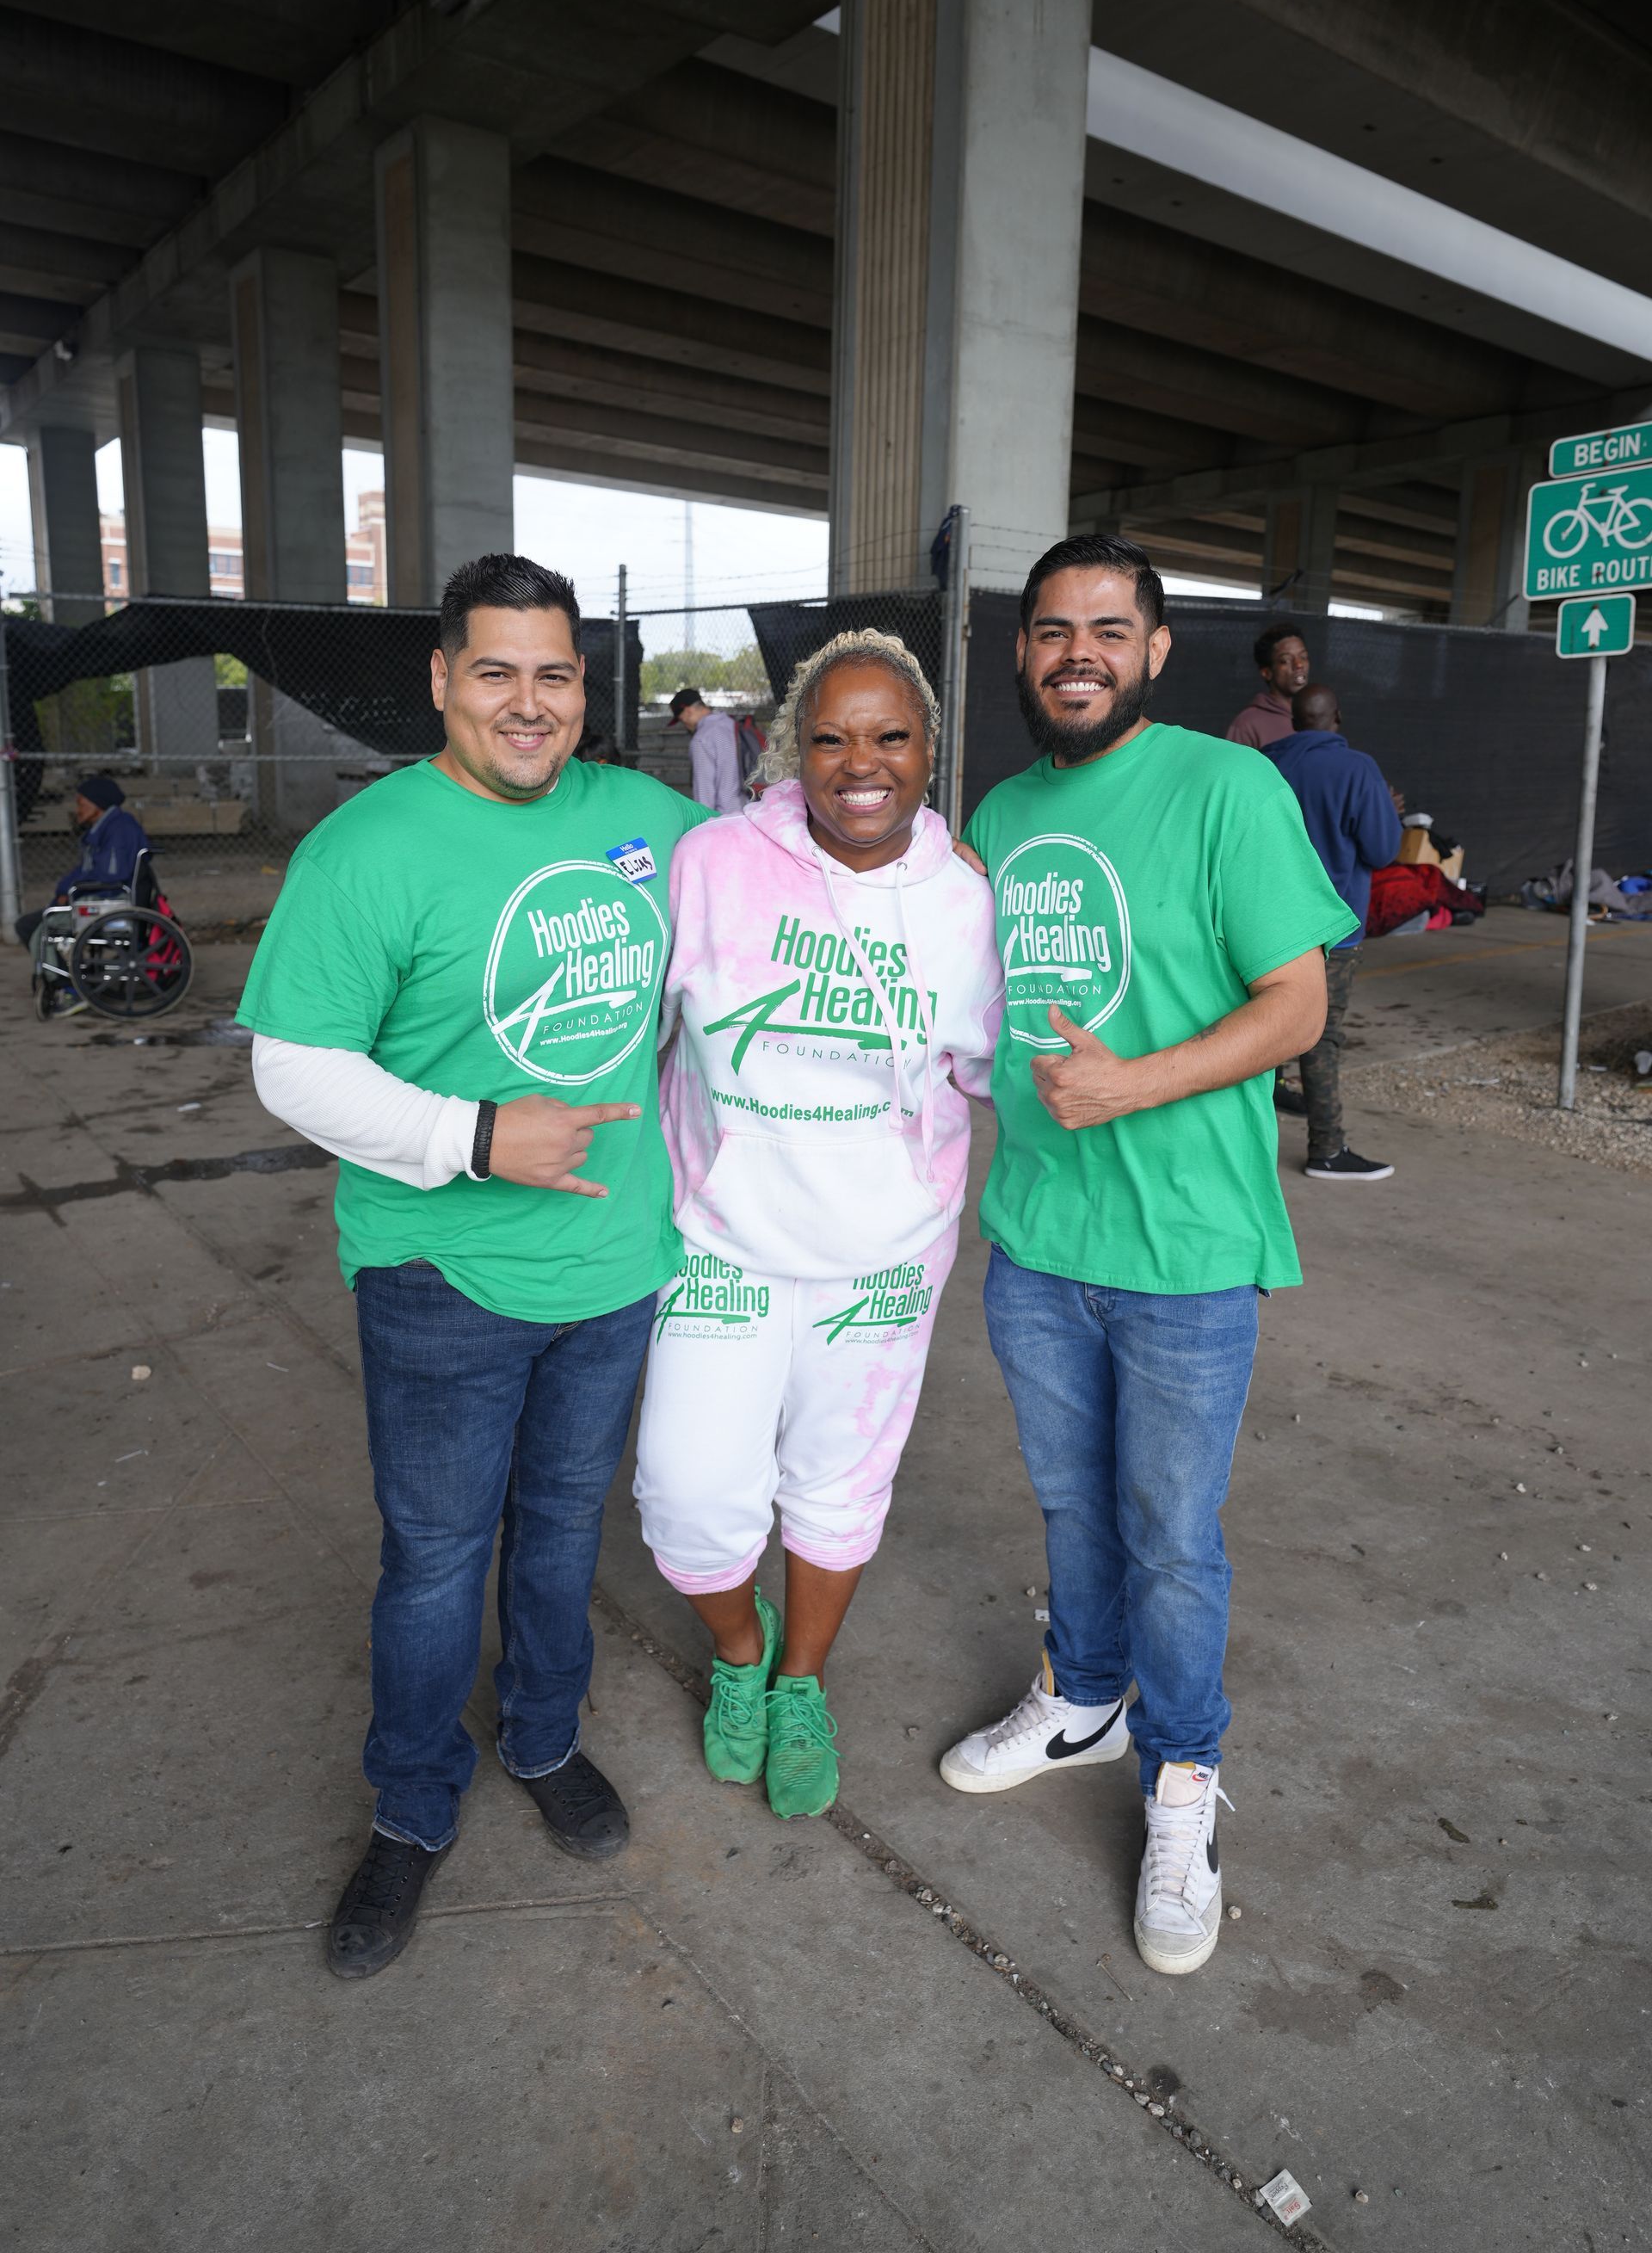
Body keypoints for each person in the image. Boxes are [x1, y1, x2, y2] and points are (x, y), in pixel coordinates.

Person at [241, 554, 711, 1981]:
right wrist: (473, 1133)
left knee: (565, 1535)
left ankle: (546, 1738)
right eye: (495, 672)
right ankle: (411, 1806)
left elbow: (769, 936)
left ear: (586, 690)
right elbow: (292, 1069)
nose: (528, 703)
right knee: (437, 1562)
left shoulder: (657, 822)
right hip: (441, 1275)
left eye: (555, 675)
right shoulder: (372, 847)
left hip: (616, 1266)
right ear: (444, 683)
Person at [940, 533, 1351, 1978]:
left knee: (1175, 1536)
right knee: (1069, 1503)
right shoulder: (995, 811)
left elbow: (1296, 1004)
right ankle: (1084, 1697)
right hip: (1041, 1237)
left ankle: (1181, 1778)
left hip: (1183, 1244)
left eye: (1108, 630)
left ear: (1156, 650)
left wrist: (1134, 1083)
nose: (1078, 654)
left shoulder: (1225, 787)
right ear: (1023, 653)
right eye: (1053, 631)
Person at [635, 631, 1001, 1818]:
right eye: (832, 737)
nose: (861, 763)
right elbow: (636, 1031)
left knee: (838, 1489)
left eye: (889, 737)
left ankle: (798, 1681)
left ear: (928, 751)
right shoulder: (713, 864)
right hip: (721, 1242)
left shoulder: (964, 903)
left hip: (884, 1262)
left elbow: (1005, 1070)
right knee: (687, 1498)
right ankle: (737, 1653)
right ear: (794, 747)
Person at [1265, 684, 1402, 1182]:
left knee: (1263, 1023)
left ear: (1295, 721)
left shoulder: (1264, 764)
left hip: (1265, 926)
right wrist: (1390, 811)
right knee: (1322, 1037)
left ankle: (1250, 1133)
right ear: (1337, 716)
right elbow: (1383, 849)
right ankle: (1326, 1148)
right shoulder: (1358, 769)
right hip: (1333, 932)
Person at [14, 774, 149, 950]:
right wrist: (65, 889)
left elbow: (110, 875)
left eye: (81, 804)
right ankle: (60, 973)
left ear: (98, 805)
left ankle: (60, 976)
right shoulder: (102, 831)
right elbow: (87, 871)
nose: (78, 810)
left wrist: (71, 890)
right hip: (96, 898)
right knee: (26, 924)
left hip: (109, 901)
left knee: (41, 927)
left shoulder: (120, 830)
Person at [1225, 621, 1310, 749]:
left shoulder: (1317, 717)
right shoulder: (1247, 724)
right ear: (1267, 672)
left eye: (1303, 657)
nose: (1299, 664)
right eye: (1285, 660)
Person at [669, 686, 745, 813]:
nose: (685, 725)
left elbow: (704, 794)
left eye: (682, 720)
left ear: (688, 712)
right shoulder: (732, 724)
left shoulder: (702, 739)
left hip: (725, 818)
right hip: (751, 809)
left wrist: (703, 823)